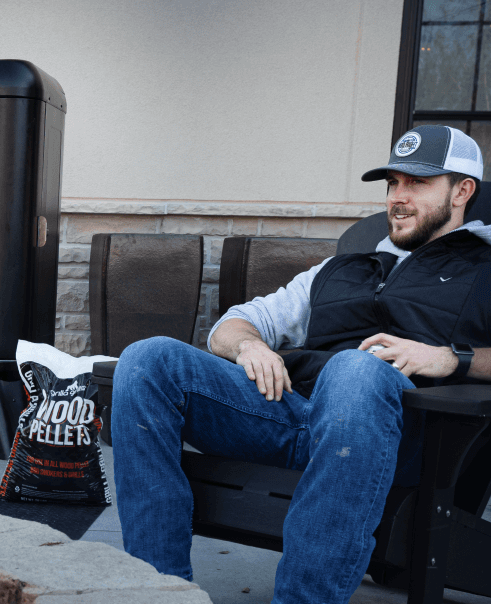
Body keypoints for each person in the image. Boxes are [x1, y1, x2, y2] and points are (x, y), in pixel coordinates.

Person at [111, 124, 491, 603]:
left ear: (462, 191)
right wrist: (250, 347)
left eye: (417, 183)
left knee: (355, 368)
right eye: (393, 183)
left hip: (400, 434)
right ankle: (158, 590)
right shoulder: (342, 268)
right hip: (293, 416)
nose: (398, 197)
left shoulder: (484, 269)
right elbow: (234, 323)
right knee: (148, 361)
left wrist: (449, 358)